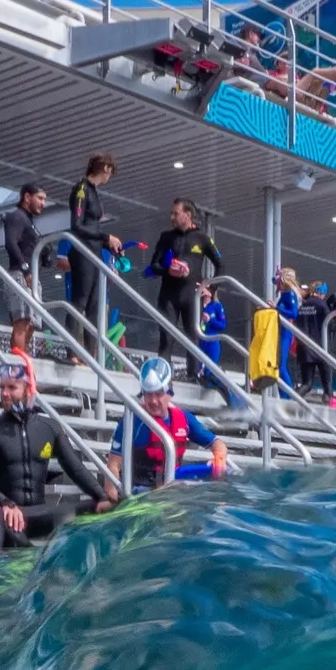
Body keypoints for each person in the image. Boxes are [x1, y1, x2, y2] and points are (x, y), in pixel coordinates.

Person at [0, 352, 116, 547]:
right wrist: (5, 502)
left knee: (102, 507)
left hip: (39, 513)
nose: (4, 393)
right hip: (9, 516)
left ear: (29, 390)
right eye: (2, 388)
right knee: (7, 527)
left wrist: (101, 496)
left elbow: (75, 468)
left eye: (11, 388)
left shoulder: (49, 427)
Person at [114, 354, 221, 486]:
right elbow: (113, 464)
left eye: (158, 394)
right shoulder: (132, 420)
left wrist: (219, 458)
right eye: (148, 394)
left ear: (169, 394)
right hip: (140, 493)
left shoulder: (184, 418)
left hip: (170, 490)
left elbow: (218, 444)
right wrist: (112, 493)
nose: (153, 401)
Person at [146, 199, 222, 369]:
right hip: (169, 295)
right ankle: (163, 377)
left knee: (194, 336)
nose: (172, 217)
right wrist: (168, 271)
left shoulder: (202, 238)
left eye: (176, 213)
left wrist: (210, 289)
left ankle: (194, 376)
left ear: (187, 215)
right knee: (166, 337)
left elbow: (221, 264)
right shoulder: (167, 237)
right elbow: (154, 265)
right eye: (171, 213)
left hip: (192, 296)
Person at [64, 154, 122, 347]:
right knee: (80, 301)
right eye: (110, 173)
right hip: (82, 253)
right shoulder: (82, 189)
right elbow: (77, 225)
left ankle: (91, 354)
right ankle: (72, 350)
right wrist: (106, 238)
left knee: (94, 306)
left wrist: (109, 244)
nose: (109, 178)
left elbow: (93, 229)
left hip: (94, 251)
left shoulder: (94, 191)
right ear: (105, 169)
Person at [0, 179, 49, 356]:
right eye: (40, 198)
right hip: (20, 274)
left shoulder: (28, 221)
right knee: (22, 322)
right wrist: (26, 269)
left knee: (31, 323)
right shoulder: (16, 216)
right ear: (27, 197)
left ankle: (22, 356)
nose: (43, 203)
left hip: (31, 277)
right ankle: (18, 360)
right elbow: (10, 243)